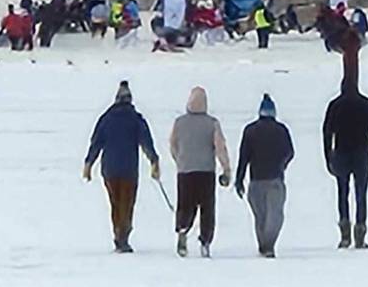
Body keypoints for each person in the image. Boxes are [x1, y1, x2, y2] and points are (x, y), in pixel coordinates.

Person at [84, 80, 161, 253]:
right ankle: (123, 236)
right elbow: (146, 142)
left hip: (109, 169)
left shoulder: (106, 118)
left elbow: (96, 142)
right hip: (129, 169)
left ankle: (119, 235)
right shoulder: (136, 119)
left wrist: (89, 163)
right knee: (127, 203)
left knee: (115, 203)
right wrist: (154, 161)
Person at [323, 76, 368, 250]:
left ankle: (345, 234)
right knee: (361, 194)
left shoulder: (335, 106)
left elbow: (327, 132)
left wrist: (328, 156)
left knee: (343, 192)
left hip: (341, 153)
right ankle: (360, 232)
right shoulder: (367, 104)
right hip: (362, 153)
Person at [169, 86, 232, 259]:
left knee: (185, 204)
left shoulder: (179, 123)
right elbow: (220, 147)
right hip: (206, 173)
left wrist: (180, 160)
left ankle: (182, 230)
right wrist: (226, 169)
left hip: (185, 172)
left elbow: (173, 145)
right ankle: (205, 241)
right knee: (207, 208)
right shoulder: (212, 123)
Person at [235, 94, 294, 258]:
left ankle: (264, 244)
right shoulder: (282, 130)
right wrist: (282, 164)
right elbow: (290, 152)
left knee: (260, 216)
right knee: (275, 215)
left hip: (256, 180)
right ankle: (268, 244)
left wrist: (239, 180)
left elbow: (243, 157)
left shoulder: (250, 130)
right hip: (275, 178)